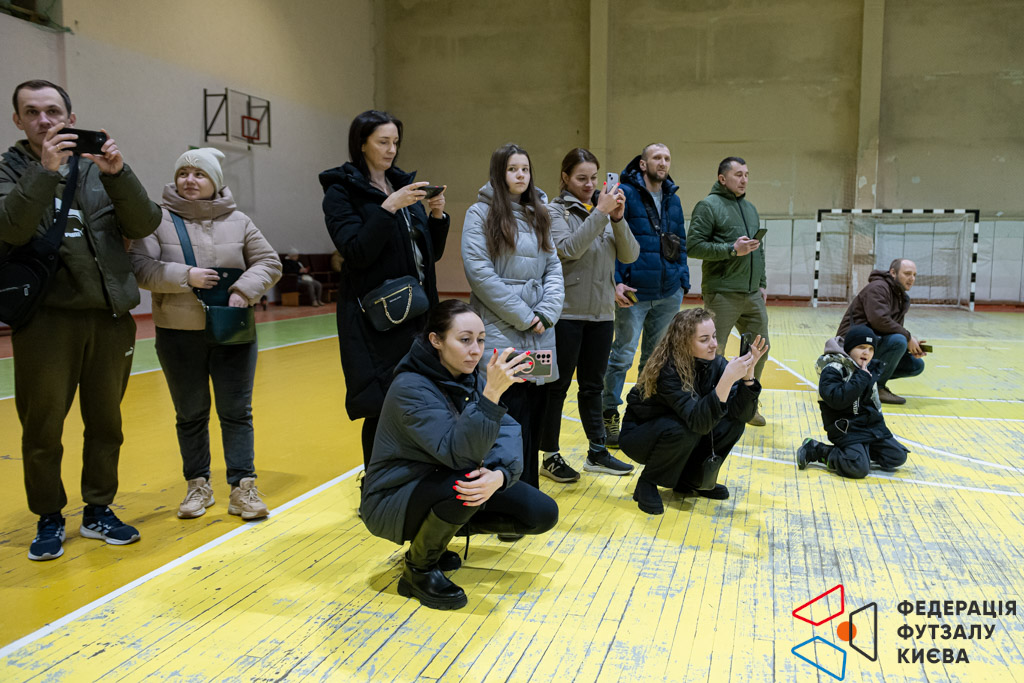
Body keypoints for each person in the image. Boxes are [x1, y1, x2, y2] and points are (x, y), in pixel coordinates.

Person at [0, 80, 161, 560]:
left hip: (109, 317)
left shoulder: (96, 168)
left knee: (107, 423)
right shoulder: (9, 170)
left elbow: (144, 223)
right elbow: (10, 227)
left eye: (53, 111)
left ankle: (98, 509)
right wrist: (44, 173)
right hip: (46, 321)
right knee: (43, 428)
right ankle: (49, 515)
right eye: (32, 112)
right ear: (18, 120)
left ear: (70, 118)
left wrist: (119, 174)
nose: (44, 120)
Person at [361, 300, 559, 610]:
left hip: (440, 480)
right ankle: (418, 570)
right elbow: (458, 455)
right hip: (393, 498)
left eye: (481, 340)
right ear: (436, 340)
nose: (476, 350)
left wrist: (500, 475)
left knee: (540, 512)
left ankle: (434, 541)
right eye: (465, 340)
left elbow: (507, 429)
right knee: (465, 484)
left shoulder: (467, 376)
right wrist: (491, 395)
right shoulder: (410, 387)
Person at [130, 147, 282, 520]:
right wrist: (186, 276)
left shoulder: (240, 221)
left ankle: (243, 487)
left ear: (215, 181)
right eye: (183, 173)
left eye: (199, 174)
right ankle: (197, 485)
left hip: (232, 330)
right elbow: (140, 267)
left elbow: (269, 262)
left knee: (236, 412)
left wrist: (243, 290)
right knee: (190, 413)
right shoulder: (157, 220)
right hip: (178, 333)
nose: (189, 180)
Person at [319, 110, 450, 467]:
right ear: (362, 144)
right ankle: (376, 483)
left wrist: (436, 217)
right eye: (383, 142)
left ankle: (413, 476)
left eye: (395, 142)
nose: (391, 149)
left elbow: (430, 255)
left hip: (418, 313)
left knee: (422, 397)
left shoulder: (401, 185)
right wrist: (388, 207)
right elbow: (356, 251)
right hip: (375, 319)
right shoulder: (340, 192)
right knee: (382, 404)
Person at [462, 143, 563, 491]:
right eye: (512, 169)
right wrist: (525, 317)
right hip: (501, 329)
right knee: (507, 417)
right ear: (498, 173)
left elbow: (553, 268)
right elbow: (480, 273)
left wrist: (547, 313)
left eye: (525, 169)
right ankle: (503, 498)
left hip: (539, 332)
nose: (521, 175)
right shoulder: (480, 213)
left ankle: (529, 493)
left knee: (534, 415)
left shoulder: (540, 213)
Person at [537, 148, 639, 483]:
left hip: (601, 315)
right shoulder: (553, 212)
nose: (589, 184)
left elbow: (630, 254)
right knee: (556, 387)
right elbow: (568, 249)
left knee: (593, 386)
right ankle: (549, 456)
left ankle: (597, 452)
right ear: (565, 177)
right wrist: (600, 214)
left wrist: (617, 219)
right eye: (581, 178)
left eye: (594, 178)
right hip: (566, 314)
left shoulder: (604, 212)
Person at [618, 308, 766, 515]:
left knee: (733, 423)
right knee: (685, 428)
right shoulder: (668, 370)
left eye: (714, 336)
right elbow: (698, 422)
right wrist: (726, 380)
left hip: (680, 429)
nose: (713, 344)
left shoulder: (716, 363)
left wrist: (748, 378)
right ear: (684, 342)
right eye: (704, 339)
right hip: (641, 436)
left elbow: (742, 415)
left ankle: (691, 480)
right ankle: (647, 482)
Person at [602, 143, 689, 448]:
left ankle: (640, 412)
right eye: (656, 158)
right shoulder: (624, 193)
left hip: (668, 293)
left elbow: (680, 241)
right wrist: (616, 282)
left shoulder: (673, 199)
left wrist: (683, 281)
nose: (663, 163)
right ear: (642, 164)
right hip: (633, 293)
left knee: (653, 360)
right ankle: (608, 412)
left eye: (667, 158)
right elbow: (610, 241)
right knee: (622, 356)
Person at [687, 156, 769, 427]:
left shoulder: (751, 208)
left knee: (761, 349)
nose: (744, 179)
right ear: (722, 178)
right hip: (722, 292)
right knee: (712, 353)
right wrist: (731, 249)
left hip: (752, 294)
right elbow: (693, 246)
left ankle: (746, 404)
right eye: (738, 174)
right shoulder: (708, 206)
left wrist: (762, 282)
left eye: (746, 174)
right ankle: (710, 406)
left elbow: (758, 249)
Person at [797, 325, 909, 478]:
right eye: (861, 347)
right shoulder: (833, 368)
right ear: (849, 349)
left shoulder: (869, 369)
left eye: (871, 349)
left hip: (867, 427)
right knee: (857, 468)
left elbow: (874, 404)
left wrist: (879, 430)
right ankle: (817, 450)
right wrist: (861, 377)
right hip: (846, 428)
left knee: (897, 456)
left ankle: (860, 451)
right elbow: (837, 400)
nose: (866, 352)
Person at [836, 258, 926, 404]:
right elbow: (879, 321)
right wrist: (908, 338)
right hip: (851, 346)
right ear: (893, 273)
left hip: (872, 344)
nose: (912, 279)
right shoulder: (878, 288)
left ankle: (861, 381)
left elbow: (892, 330)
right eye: (907, 274)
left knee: (916, 365)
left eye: (914, 275)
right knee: (899, 340)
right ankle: (876, 387)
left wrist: (911, 347)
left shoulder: (901, 297)